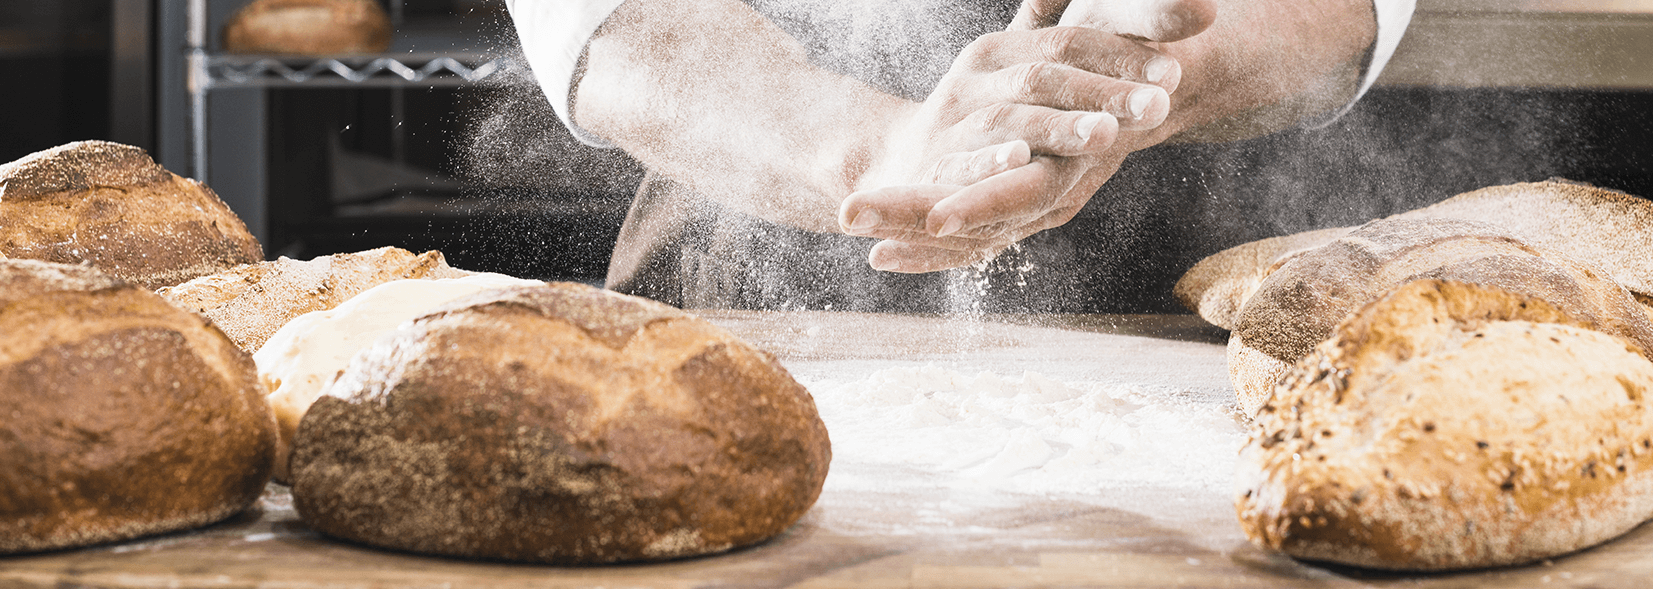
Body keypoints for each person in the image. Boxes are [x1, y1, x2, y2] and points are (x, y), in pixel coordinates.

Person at [506, 0, 1416, 313]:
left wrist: (1143, 66)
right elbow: (606, 24)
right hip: (743, 265)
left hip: (1199, 296)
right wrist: (871, 150)